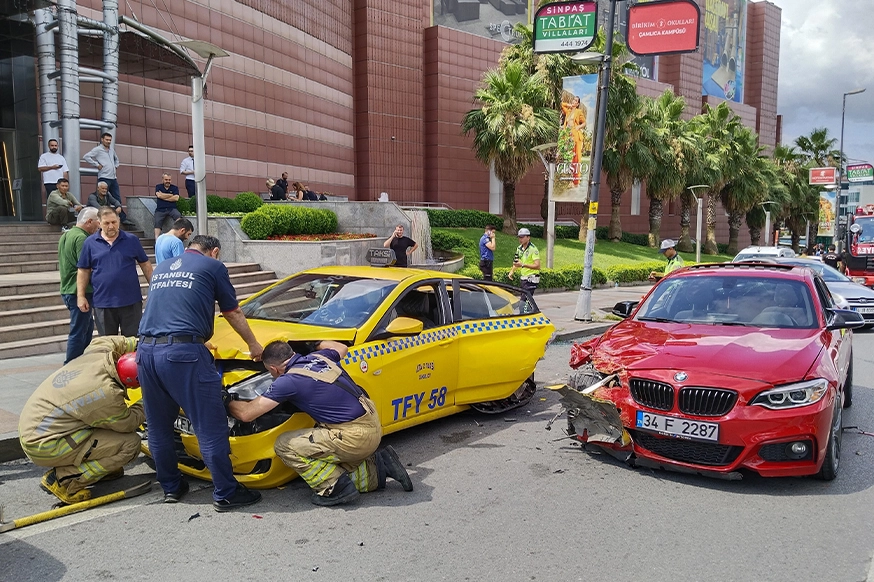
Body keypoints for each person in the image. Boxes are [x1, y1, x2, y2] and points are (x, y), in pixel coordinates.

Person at [137, 235, 264, 511]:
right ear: (214, 251)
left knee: (158, 426)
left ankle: (171, 486)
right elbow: (232, 312)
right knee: (210, 424)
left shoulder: (163, 267)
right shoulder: (212, 266)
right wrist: (253, 345)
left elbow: (166, 309)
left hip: (146, 352)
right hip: (183, 356)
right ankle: (226, 492)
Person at [227, 340, 413, 506]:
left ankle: (334, 489)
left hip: (354, 436)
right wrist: (315, 342)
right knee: (337, 469)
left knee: (284, 446)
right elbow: (341, 347)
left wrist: (225, 401)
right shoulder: (320, 357)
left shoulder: (288, 381)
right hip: (371, 424)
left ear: (274, 369)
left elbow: (247, 414)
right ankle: (381, 466)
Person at [19, 336, 144, 505]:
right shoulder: (107, 394)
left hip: (33, 425)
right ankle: (64, 480)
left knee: (105, 425)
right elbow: (128, 423)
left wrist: (144, 343)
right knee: (130, 444)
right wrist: (148, 400)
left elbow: (119, 341)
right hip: (45, 444)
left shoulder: (101, 351)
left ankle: (104, 468)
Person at [77, 207, 153, 337]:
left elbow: (145, 264)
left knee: (133, 343)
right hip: (103, 303)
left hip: (130, 301)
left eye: (114, 222)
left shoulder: (131, 240)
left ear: (118, 221)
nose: (111, 226)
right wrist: (81, 296)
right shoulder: (90, 243)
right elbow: (83, 270)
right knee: (108, 345)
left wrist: (154, 288)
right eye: (107, 223)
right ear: (99, 223)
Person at [59, 207, 100, 363]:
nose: (99, 227)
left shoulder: (67, 234)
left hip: (68, 288)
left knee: (86, 327)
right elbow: (85, 267)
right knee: (79, 330)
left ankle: (81, 362)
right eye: (98, 223)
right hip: (79, 291)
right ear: (89, 222)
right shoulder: (82, 239)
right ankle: (71, 364)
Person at [83, 133, 121, 204]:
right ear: (102, 139)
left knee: (117, 198)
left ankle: (119, 215)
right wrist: (97, 165)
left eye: (110, 140)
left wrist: (115, 166)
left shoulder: (111, 150)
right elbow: (86, 157)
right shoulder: (98, 149)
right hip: (104, 177)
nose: (108, 141)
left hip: (113, 178)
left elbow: (116, 159)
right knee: (103, 198)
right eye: (107, 140)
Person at [560, 96, 588, 186]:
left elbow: (584, 123)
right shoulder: (568, 111)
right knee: (568, 157)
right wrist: (569, 105)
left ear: (578, 104)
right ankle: (569, 179)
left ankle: (576, 181)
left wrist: (578, 127)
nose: (573, 101)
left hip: (576, 136)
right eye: (573, 99)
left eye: (575, 100)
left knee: (576, 158)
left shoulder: (579, 112)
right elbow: (561, 105)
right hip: (567, 136)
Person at [508, 228, 541, 296]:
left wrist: (523, 265)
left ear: (528, 237)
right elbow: (517, 262)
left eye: (522, 237)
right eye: (519, 237)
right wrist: (512, 271)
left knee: (524, 301)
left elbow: (537, 266)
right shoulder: (519, 248)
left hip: (532, 278)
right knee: (526, 302)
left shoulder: (533, 249)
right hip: (524, 278)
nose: (520, 239)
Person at [154, 173, 182, 239]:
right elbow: (159, 195)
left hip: (172, 209)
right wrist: (170, 195)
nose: (168, 181)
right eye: (166, 179)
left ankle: (177, 236)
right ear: (162, 180)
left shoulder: (175, 188)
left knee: (179, 217)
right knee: (157, 222)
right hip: (160, 209)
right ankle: (156, 239)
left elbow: (176, 198)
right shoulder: (158, 186)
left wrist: (163, 196)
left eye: (169, 180)